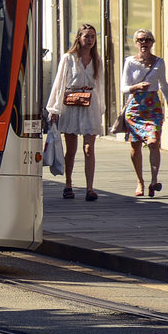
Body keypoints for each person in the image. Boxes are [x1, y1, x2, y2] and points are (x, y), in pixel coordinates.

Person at [46, 23, 105, 201]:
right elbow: (59, 83)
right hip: (71, 104)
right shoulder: (68, 58)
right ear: (79, 37)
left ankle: (90, 188)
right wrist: (54, 109)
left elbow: (101, 85)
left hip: (90, 105)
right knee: (70, 149)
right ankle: (68, 184)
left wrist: (100, 109)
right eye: (86, 36)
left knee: (89, 148)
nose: (89, 40)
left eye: (93, 37)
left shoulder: (97, 60)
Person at [121, 29, 168, 197]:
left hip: (153, 107)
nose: (143, 43)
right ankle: (140, 182)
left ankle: (154, 180)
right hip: (135, 106)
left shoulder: (159, 62)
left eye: (147, 40)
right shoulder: (130, 62)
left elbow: (164, 85)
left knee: (153, 142)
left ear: (152, 42)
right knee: (135, 145)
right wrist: (136, 87)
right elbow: (124, 88)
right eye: (139, 40)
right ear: (135, 43)